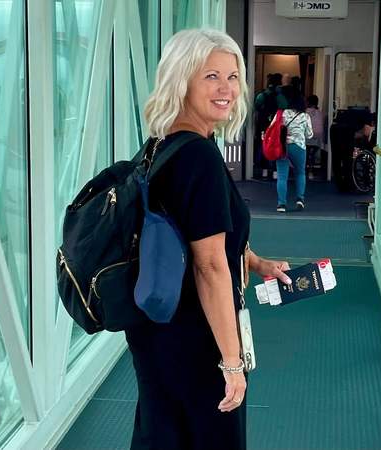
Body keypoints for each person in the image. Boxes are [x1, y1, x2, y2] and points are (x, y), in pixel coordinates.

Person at [130, 29, 292, 450]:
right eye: (211, 77)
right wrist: (232, 362)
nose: (227, 89)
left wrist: (255, 261)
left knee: (162, 434)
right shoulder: (199, 155)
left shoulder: (160, 146)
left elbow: (189, 233)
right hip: (195, 334)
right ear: (181, 80)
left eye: (233, 76)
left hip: (156, 328)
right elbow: (209, 264)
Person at [275, 85, 313, 212]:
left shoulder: (281, 114)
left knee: (282, 176)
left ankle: (281, 204)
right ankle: (300, 200)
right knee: (300, 173)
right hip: (299, 147)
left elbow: (273, 129)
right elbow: (309, 134)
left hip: (283, 147)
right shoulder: (305, 116)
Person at [253, 73, 285, 179]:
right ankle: (275, 171)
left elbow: (256, 106)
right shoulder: (280, 96)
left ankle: (264, 170)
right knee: (277, 145)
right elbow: (285, 107)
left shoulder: (262, 95)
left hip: (264, 125)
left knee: (263, 146)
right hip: (276, 125)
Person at [305, 95, 326, 179]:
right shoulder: (320, 113)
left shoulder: (305, 112)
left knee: (306, 153)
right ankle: (311, 171)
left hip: (307, 137)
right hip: (317, 137)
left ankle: (304, 171)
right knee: (312, 154)